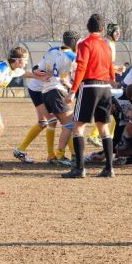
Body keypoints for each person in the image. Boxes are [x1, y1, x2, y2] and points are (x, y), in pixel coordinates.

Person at [62, 13, 116, 178]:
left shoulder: (85, 44)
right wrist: (112, 79)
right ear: (102, 28)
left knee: (78, 127)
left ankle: (79, 169)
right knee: (104, 128)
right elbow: (110, 65)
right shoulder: (106, 45)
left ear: (88, 27)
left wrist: (72, 91)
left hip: (90, 86)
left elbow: (81, 68)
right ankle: (109, 168)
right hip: (105, 86)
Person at [33, 31, 80, 165]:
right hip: (57, 91)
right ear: (75, 43)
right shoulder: (72, 56)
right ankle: (60, 155)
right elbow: (78, 73)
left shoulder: (51, 50)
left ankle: (66, 154)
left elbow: (38, 68)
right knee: (70, 124)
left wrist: (37, 71)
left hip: (46, 91)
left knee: (59, 123)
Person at [87, 23, 122, 147]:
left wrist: (116, 70)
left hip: (105, 79)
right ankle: (95, 135)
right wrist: (115, 72)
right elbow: (105, 64)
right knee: (107, 108)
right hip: (102, 81)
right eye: (116, 31)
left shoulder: (111, 44)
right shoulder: (107, 43)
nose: (118, 34)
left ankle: (108, 136)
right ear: (111, 31)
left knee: (113, 108)